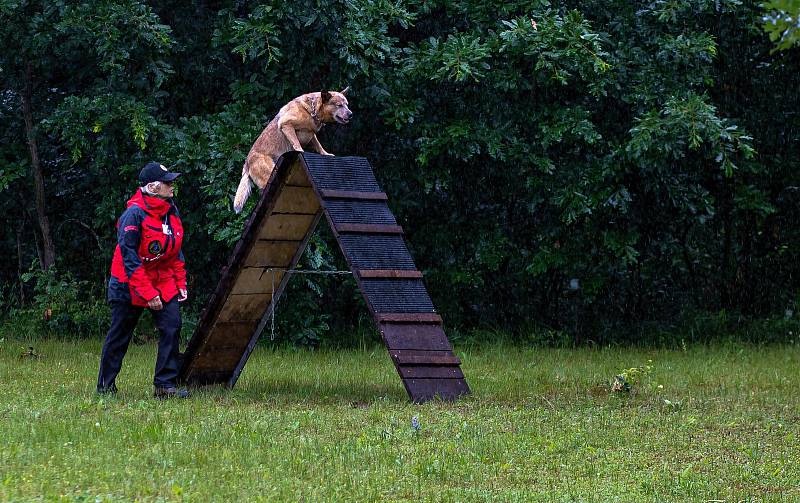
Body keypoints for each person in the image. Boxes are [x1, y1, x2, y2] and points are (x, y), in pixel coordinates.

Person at [97, 162, 190, 399]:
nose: (172, 186)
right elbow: (129, 259)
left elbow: (175, 250)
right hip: (128, 282)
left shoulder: (171, 211)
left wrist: (180, 282)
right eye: (168, 182)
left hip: (161, 279)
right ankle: (106, 387)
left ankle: (164, 385)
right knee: (120, 334)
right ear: (152, 187)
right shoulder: (133, 214)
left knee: (172, 325)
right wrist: (148, 294)